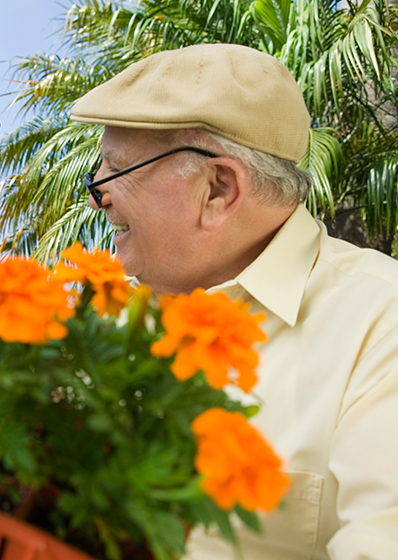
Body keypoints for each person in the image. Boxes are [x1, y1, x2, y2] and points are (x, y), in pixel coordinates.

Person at [67, 44, 398, 558]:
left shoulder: (381, 323)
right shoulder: (111, 320)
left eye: (115, 170)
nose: (96, 194)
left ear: (218, 188)